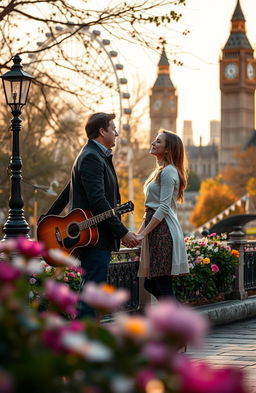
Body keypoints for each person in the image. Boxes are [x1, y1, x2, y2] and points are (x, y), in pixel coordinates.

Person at [40, 112, 138, 317]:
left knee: (90, 291)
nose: (117, 133)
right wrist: (122, 232)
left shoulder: (91, 154)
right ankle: (84, 342)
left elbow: (70, 190)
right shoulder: (92, 157)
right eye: (113, 129)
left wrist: (50, 219)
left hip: (91, 235)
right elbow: (98, 201)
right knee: (91, 294)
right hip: (94, 236)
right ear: (102, 132)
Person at [136, 129, 189, 300]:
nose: (153, 143)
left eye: (159, 141)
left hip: (163, 232)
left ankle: (180, 324)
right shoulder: (160, 171)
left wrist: (143, 233)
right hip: (156, 229)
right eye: (155, 140)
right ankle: (177, 322)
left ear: (168, 149)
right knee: (151, 283)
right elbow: (150, 209)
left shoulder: (169, 171)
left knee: (162, 285)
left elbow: (163, 207)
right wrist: (138, 234)